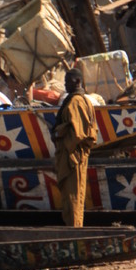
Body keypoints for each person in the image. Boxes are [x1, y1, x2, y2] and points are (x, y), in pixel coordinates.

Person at [51, 68, 97, 227]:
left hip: (73, 157)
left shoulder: (76, 102)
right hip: (71, 155)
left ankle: (75, 230)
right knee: (71, 197)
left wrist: (58, 133)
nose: (65, 85)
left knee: (73, 197)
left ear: (77, 81)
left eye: (67, 81)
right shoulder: (76, 100)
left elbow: (78, 133)